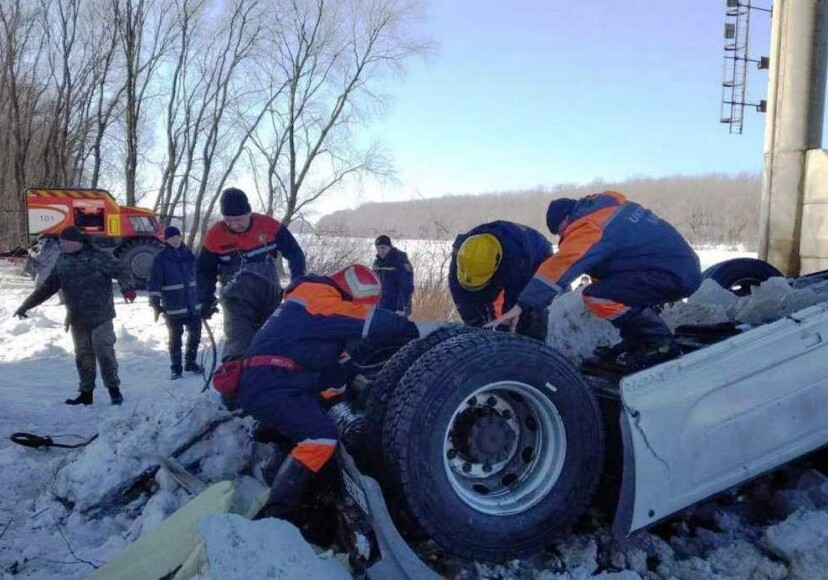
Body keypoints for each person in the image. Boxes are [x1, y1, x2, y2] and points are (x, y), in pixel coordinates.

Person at [236, 264, 441, 522]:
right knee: (321, 438)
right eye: (362, 304)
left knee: (316, 409)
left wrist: (357, 380)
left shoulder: (308, 304)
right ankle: (278, 514)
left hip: (272, 380)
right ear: (354, 296)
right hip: (273, 384)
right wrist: (418, 330)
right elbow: (370, 322)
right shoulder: (321, 298)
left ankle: (275, 466)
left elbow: (331, 365)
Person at [489, 192, 702, 370]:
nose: (563, 237)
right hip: (677, 268)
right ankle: (639, 341)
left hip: (671, 274)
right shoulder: (609, 211)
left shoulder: (589, 226)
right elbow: (613, 267)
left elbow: (562, 264)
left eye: (560, 232)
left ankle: (659, 344)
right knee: (608, 289)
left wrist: (522, 305)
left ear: (565, 220)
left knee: (597, 296)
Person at [13, 226, 136, 405]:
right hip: (77, 318)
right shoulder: (63, 260)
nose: (61, 244)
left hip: (100, 315)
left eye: (64, 241)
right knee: (83, 356)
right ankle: (86, 394)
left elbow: (121, 270)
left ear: (75, 241)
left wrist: (128, 288)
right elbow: (48, 286)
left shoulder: (98, 256)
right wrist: (26, 305)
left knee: (104, 353)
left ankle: (114, 391)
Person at [197, 187, 306, 361]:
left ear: (249, 213)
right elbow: (204, 271)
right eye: (228, 220)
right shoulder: (215, 235)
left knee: (273, 338)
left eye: (239, 219)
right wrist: (204, 299)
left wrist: (297, 283)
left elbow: (295, 253)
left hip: (269, 295)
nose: (234, 225)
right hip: (235, 300)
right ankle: (237, 380)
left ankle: (274, 378)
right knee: (239, 342)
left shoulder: (269, 226)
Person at [449, 221, 553, 341]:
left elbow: (515, 301)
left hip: (537, 257)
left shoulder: (516, 262)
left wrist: (505, 331)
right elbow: (459, 292)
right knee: (481, 308)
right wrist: (474, 322)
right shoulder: (463, 253)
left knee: (528, 314)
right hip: (500, 254)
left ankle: (535, 345)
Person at [148, 226, 203, 380]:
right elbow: (154, 282)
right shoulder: (161, 258)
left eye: (178, 237)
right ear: (166, 240)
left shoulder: (189, 255)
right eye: (172, 238)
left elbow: (199, 277)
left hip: (193, 305)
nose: (176, 240)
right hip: (174, 307)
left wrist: (204, 298)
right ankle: (176, 368)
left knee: (196, 335)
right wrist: (155, 303)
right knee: (175, 339)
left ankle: (190, 362)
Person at [371, 235, 414, 316]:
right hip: (381, 307)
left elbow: (405, 286)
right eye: (378, 248)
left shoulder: (400, 260)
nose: (380, 251)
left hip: (397, 308)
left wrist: (401, 307)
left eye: (383, 247)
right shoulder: (377, 262)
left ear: (389, 247)